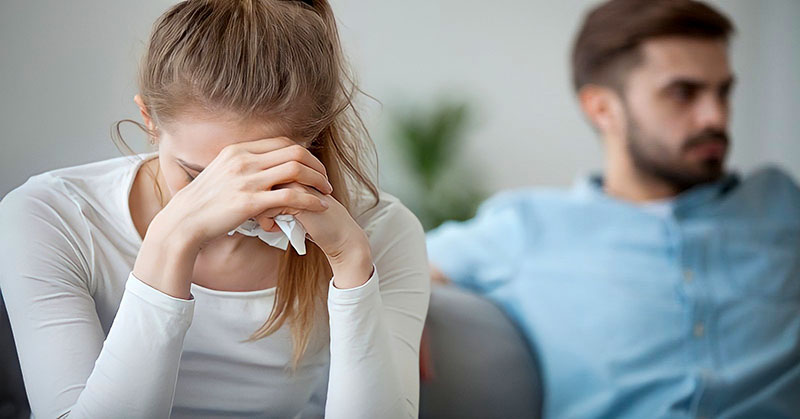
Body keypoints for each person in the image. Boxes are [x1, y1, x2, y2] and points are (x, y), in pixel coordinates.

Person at [0, 1, 429, 418]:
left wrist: (352, 265)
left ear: (311, 138)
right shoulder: (50, 215)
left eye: (261, 173)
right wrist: (172, 242)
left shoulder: (380, 231)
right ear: (149, 119)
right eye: (197, 175)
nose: (229, 206)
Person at [426, 0, 799, 417]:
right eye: (683, 93)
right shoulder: (526, 226)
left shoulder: (781, 203)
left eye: (723, 91)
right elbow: (397, 264)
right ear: (602, 108)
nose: (715, 116)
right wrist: (398, 312)